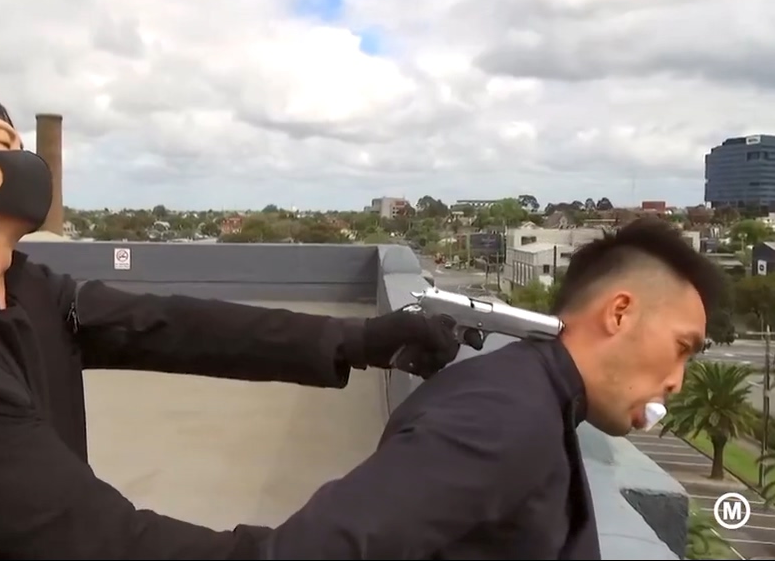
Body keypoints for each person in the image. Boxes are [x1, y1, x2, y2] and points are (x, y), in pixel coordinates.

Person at [0, 71, 465, 560]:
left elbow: (173, 325)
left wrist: (358, 339)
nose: (29, 163)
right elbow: (103, 542)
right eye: (3, 146)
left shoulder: (26, 289)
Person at [259, 217, 724, 559]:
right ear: (619, 313)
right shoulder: (504, 418)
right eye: (681, 348)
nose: (677, 381)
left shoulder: (531, 396)